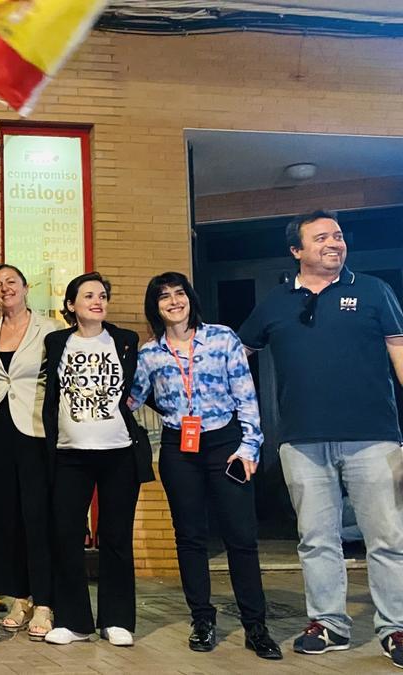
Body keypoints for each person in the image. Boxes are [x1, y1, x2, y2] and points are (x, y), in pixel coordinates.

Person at [238, 210, 403, 666]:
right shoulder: (274, 302)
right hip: (301, 441)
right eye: (321, 237)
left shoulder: (373, 291)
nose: (334, 242)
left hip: (373, 438)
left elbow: (399, 349)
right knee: (315, 538)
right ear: (296, 251)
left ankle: (397, 628)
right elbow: (237, 355)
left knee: (387, 537)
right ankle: (329, 624)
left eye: (338, 235)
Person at [129, 272, 281, 659]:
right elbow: (130, 400)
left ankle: (255, 625)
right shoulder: (150, 354)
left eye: (179, 294)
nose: (173, 301)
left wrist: (249, 447)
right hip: (179, 448)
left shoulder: (222, 337)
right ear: (155, 307)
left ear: (190, 298)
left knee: (240, 537)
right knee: (190, 537)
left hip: (225, 444)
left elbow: (246, 395)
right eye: (164, 297)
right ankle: (202, 619)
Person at [41, 272, 154, 648]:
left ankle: (117, 619)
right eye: (88, 295)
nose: (97, 301)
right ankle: (73, 621)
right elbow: (50, 397)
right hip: (70, 453)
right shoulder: (56, 342)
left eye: (103, 295)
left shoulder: (124, 340)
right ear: (71, 305)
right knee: (65, 535)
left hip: (118, 451)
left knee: (117, 536)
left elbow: (138, 388)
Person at [0, 264, 57, 639]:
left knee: (37, 514)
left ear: (25, 286)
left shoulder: (48, 329)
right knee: (5, 516)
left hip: (33, 429)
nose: (5, 289)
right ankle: (21, 597)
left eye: (11, 283)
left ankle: (46, 602)